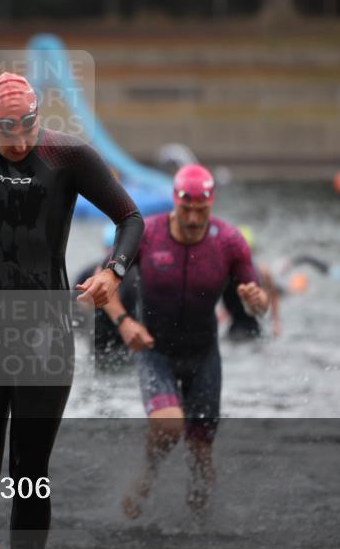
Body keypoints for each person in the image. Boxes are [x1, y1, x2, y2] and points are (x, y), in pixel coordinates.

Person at [0, 69, 144, 549]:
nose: (17, 141)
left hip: (45, 332)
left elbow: (131, 219)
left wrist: (113, 272)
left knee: (30, 473)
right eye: (4, 129)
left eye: (25, 126)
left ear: (38, 119)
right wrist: (2, 89)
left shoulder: (66, 155)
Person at [100, 164, 268, 518]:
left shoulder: (230, 242)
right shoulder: (147, 235)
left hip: (204, 355)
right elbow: (105, 286)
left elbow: (260, 302)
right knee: (169, 425)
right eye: (186, 208)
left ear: (212, 204)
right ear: (175, 201)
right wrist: (125, 323)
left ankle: (196, 544)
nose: (193, 218)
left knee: (201, 455)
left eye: (201, 210)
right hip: (153, 349)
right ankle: (147, 472)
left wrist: (258, 302)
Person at [74, 224, 142, 371]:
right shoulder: (137, 273)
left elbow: (76, 311)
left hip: (102, 334)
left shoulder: (89, 272)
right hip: (126, 332)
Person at [220, 226, 282, 340]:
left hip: (252, 327)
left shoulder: (261, 269)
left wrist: (276, 323)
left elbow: (273, 294)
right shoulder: (224, 270)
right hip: (236, 327)